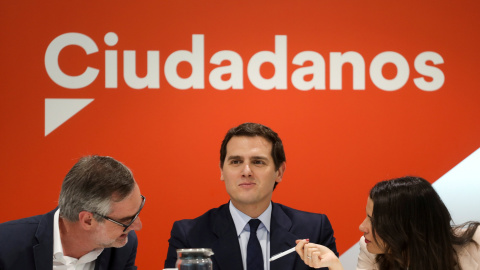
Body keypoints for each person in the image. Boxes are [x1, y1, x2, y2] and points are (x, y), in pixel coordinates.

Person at [164, 122, 337, 270]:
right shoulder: (189, 236)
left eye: (258, 162)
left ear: (279, 171)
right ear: (222, 170)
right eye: (236, 162)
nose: (246, 171)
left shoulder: (314, 229)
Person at [295, 176, 480, 270]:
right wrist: (334, 264)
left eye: (374, 221)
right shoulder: (371, 251)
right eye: (367, 216)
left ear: (409, 228)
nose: (362, 227)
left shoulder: (476, 246)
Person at [0, 155, 145, 270]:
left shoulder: (123, 246)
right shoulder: (5, 246)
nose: (138, 226)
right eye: (127, 220)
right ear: (88, 220)